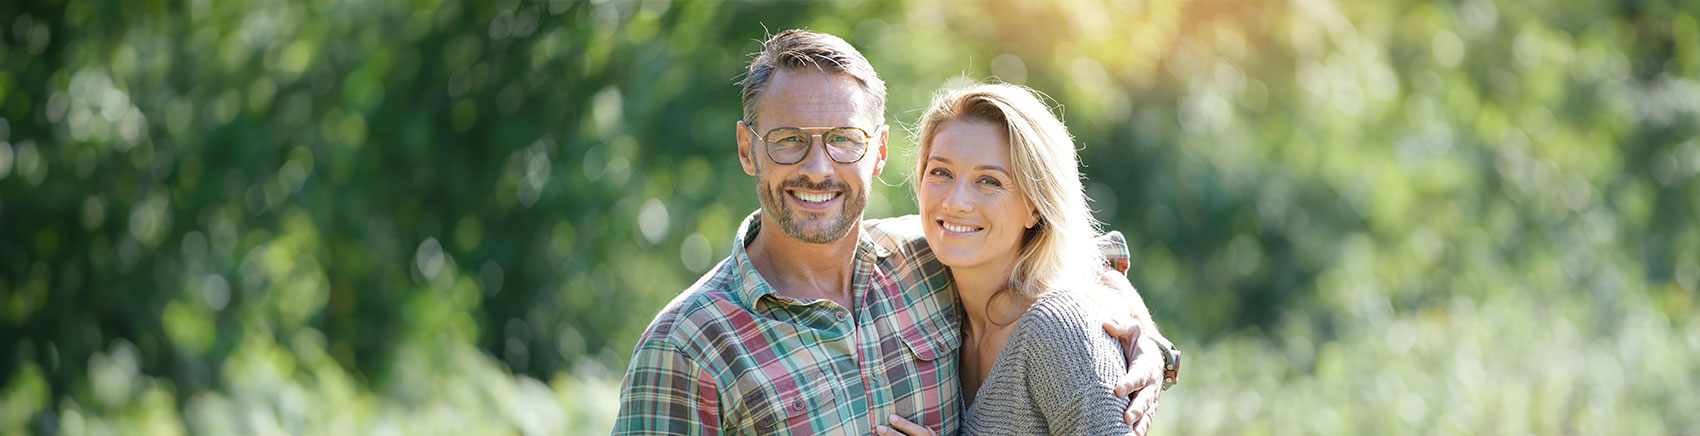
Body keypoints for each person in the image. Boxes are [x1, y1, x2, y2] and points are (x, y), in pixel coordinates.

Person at [613, 30, 1174, 435]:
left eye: (844, 140)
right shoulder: (686, 349)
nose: (818, 167)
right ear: (747, 148)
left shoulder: (925, 254)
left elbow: (1067, 257)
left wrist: (1144, 340)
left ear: (878, 151)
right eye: (788, 139)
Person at [880, 83, 1161, 435]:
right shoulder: (931, 291)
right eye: (941, 172)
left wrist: (1153, 344)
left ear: (1034, 206)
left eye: (989, 181)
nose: (954, 201)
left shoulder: (1058, 331)